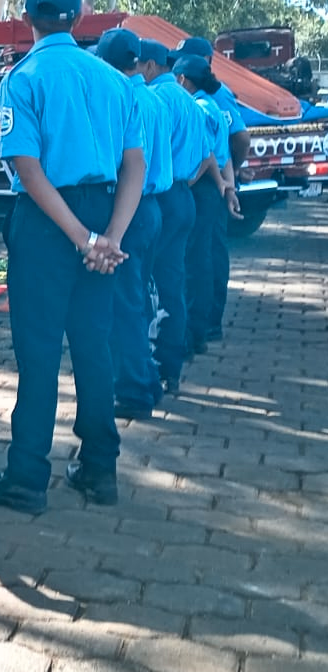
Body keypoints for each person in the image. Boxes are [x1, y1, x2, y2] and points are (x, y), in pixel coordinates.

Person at [0, 0, 144, 515]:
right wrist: (109, 236)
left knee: (39, 353)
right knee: (93, 345)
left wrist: (79, 236)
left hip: (48, 224)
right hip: (102, 210)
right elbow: (134, 165)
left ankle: (26, 476)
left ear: (28, 18)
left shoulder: (23, 78)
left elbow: (26, 165)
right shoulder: (115, 81)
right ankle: (99, 468)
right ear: (81, 13)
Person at [94, 30, 168, 419]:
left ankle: (135, 391)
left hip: (130, 208)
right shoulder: (154, 99)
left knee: (123, 304)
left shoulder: (119, 97)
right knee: (138, 299)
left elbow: (122, 163)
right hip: (154, 206)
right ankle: (148, 380)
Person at [138, 39, 214, 392]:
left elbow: (146, 153)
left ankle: (156, 364)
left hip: (162, 197)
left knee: (155, 283)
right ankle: (173, 364)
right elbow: (204, 157)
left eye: (137, 65)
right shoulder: (191, 102)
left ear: (151, 66)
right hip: (184, 194)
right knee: (175, 277)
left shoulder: (158, 101)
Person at [172, 36, 246, 345]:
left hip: (199, 187)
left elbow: (208, 154)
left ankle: (198, 326)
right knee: (208, 255)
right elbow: (223, 153)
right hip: (213, 187)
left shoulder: (199, 107)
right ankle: (205, 324)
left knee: (198, 258)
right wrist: (228, 185)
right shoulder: (213, 104)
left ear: (184, 78)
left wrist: (215, 182)